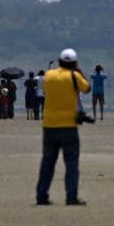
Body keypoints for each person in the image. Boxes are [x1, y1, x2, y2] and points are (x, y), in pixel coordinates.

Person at [35, 48, 90, 206]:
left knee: (47, 162)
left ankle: (41, 195)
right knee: (71, 163)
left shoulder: (49, 76)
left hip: (49, 125)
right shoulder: (74, 76)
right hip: (68, 126)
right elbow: (86, 89)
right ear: (74, 63)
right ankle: (71, 197)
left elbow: (45, 90)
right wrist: (78, 71)